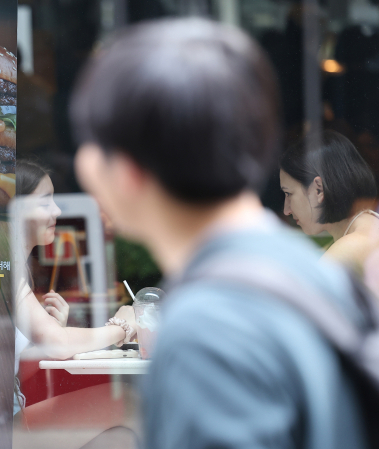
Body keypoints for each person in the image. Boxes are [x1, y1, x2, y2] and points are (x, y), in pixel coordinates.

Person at [70, 18, 368, 449]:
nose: (85, 166)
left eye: (94, 146)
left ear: (132, 168)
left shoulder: (210, 325)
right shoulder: (299, 273)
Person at [13, 160, 139, 448]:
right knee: (128, 404)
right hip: (0, 430)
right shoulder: (2, 269)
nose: (57, 211)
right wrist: (121, 326)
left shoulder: (14, 270)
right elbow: (58, 343)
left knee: (119, 433)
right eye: (45, 202)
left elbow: (22, 363)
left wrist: (48, 333)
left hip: (11, 421)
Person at [280, 130, 379, 275]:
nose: (286, 210)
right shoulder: (363, 229)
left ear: (318, 190)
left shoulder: (348, 248)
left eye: (289, 194)